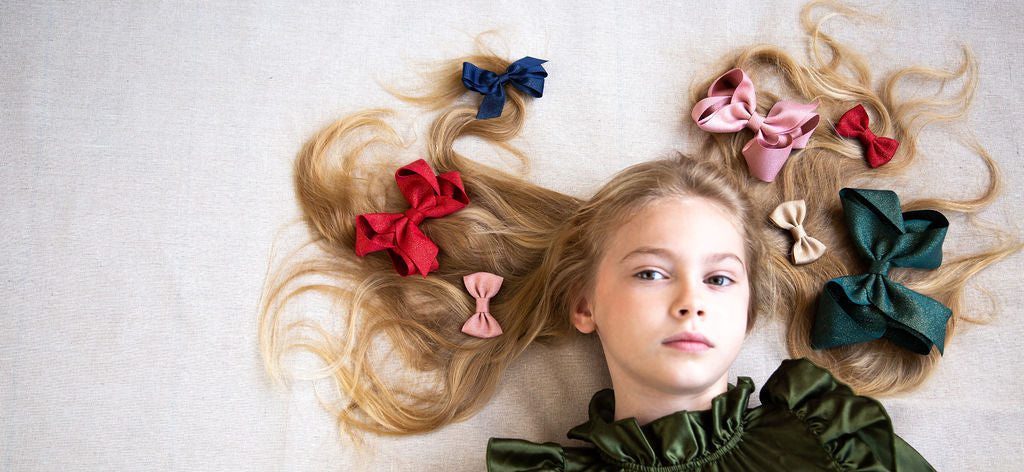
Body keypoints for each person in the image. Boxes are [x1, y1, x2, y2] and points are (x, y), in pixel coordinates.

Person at [258, 2, 1018, 469]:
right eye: (652, 273)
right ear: (583, 304)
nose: (691, 300)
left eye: (720, 278)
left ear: (750, 309)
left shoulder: (833, 434)